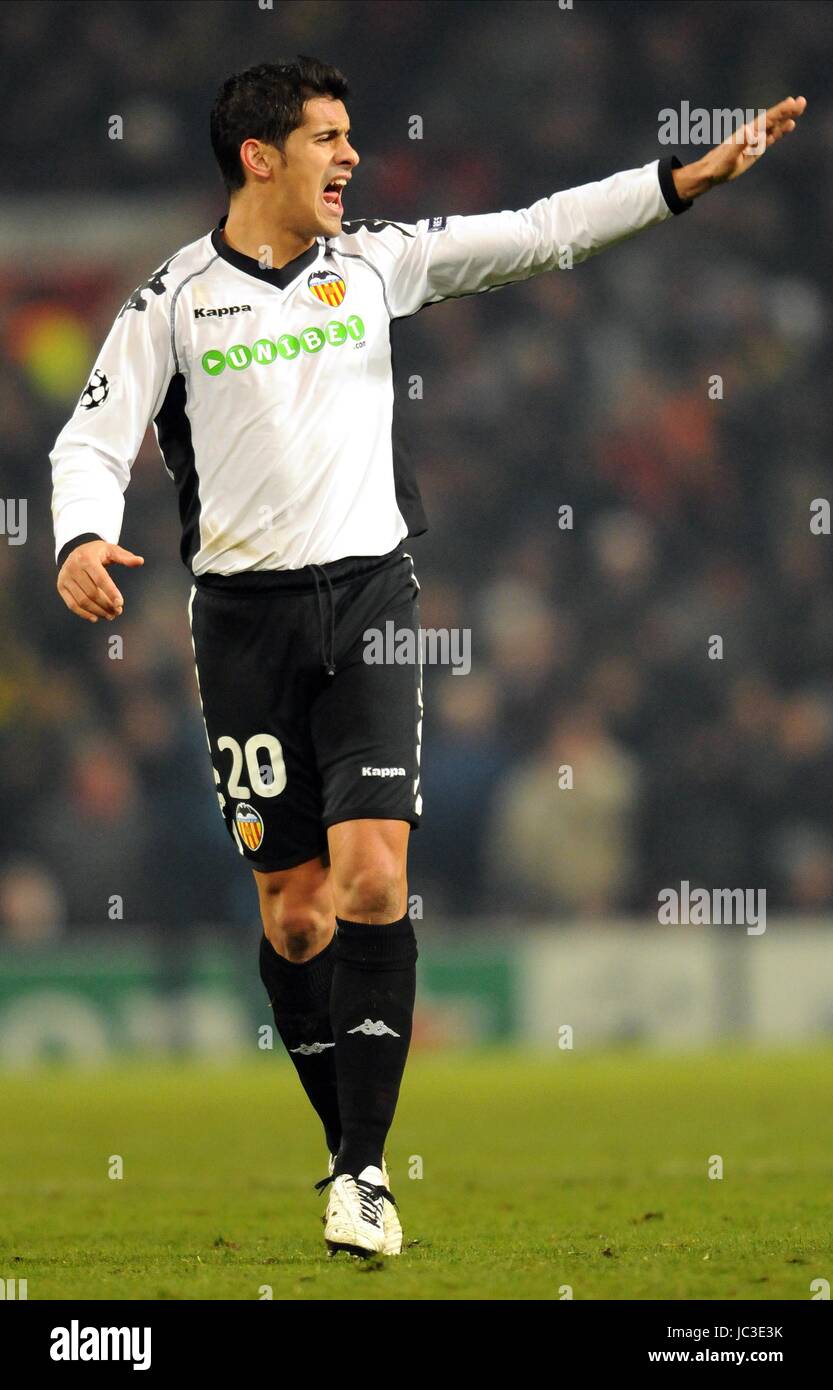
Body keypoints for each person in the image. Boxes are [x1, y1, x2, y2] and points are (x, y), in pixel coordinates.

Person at [49, 56, 806, 1256]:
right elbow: (87, 440)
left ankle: (364, 1171)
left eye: (350, 136)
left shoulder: (376, 263)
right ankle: (342, 1153)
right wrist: (82, 537)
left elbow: (540, 233)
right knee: (295, 921)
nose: (351, 156)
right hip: (239, 626)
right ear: (259, 156)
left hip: (369, 603)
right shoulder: (172, 302)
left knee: (371, 882)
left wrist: (677, 182)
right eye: (327, 137)